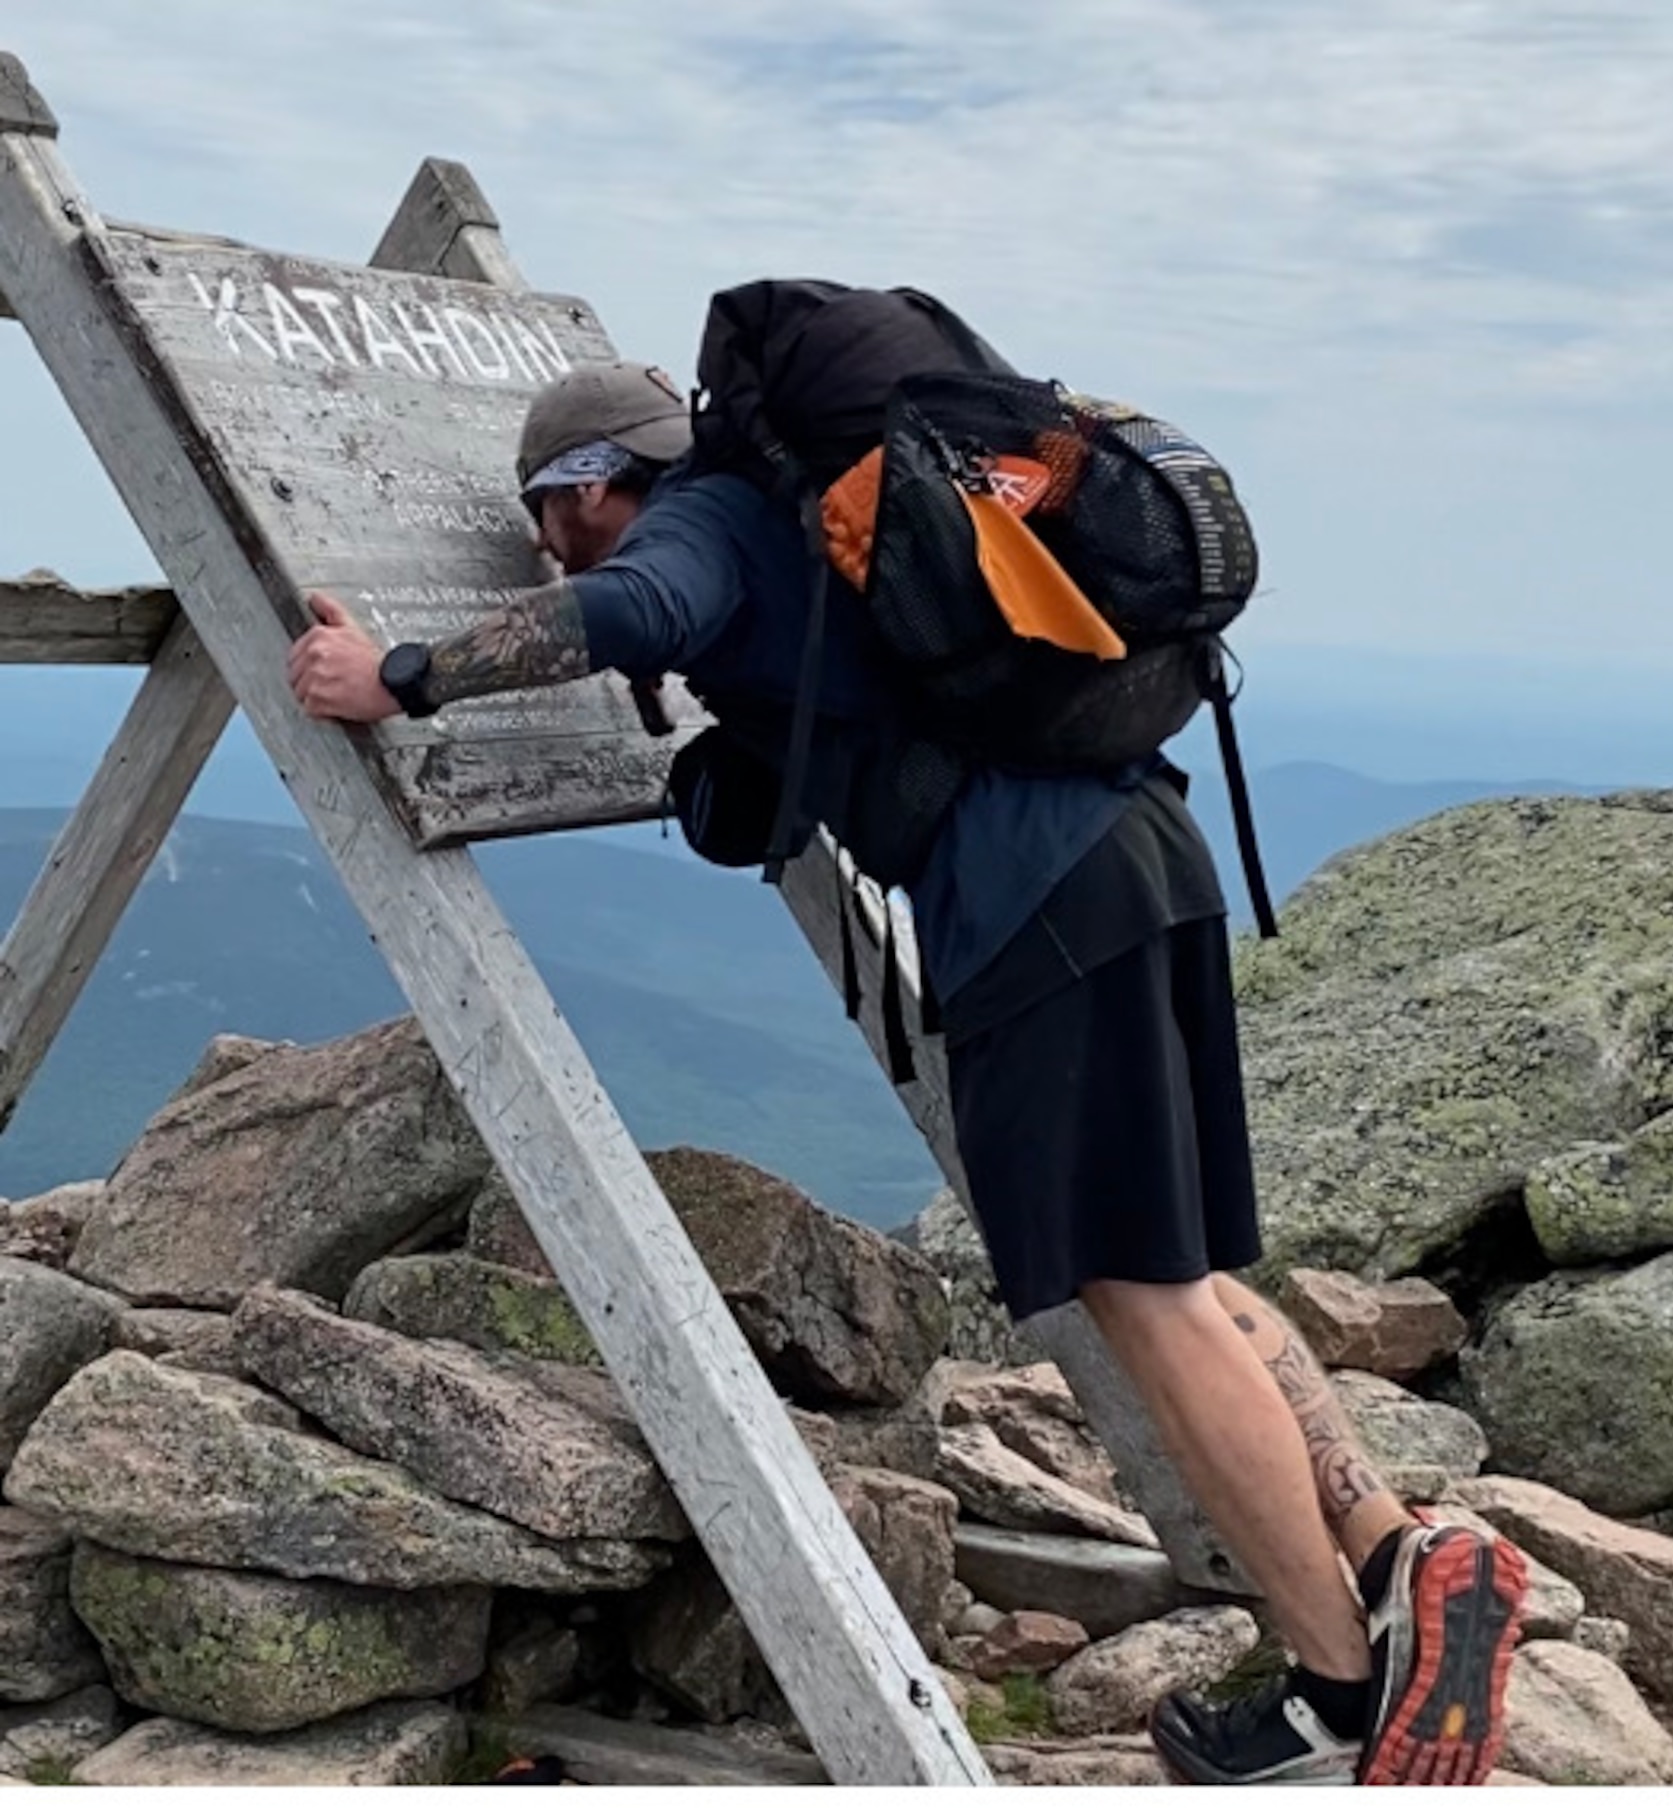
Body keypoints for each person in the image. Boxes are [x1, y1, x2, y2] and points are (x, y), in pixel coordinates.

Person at [288, 358, 1526, 1787]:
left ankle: (1334, 1689)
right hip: (1138, 850)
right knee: (1179, 1270)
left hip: (1037, 904)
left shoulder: (693, 523)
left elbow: (630, 603)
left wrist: (396, 676)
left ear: (586, 489)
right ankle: (1400, 1556)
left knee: (1150, 1299)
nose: (542, 546)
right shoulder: (793, 520)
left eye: (544, 515)